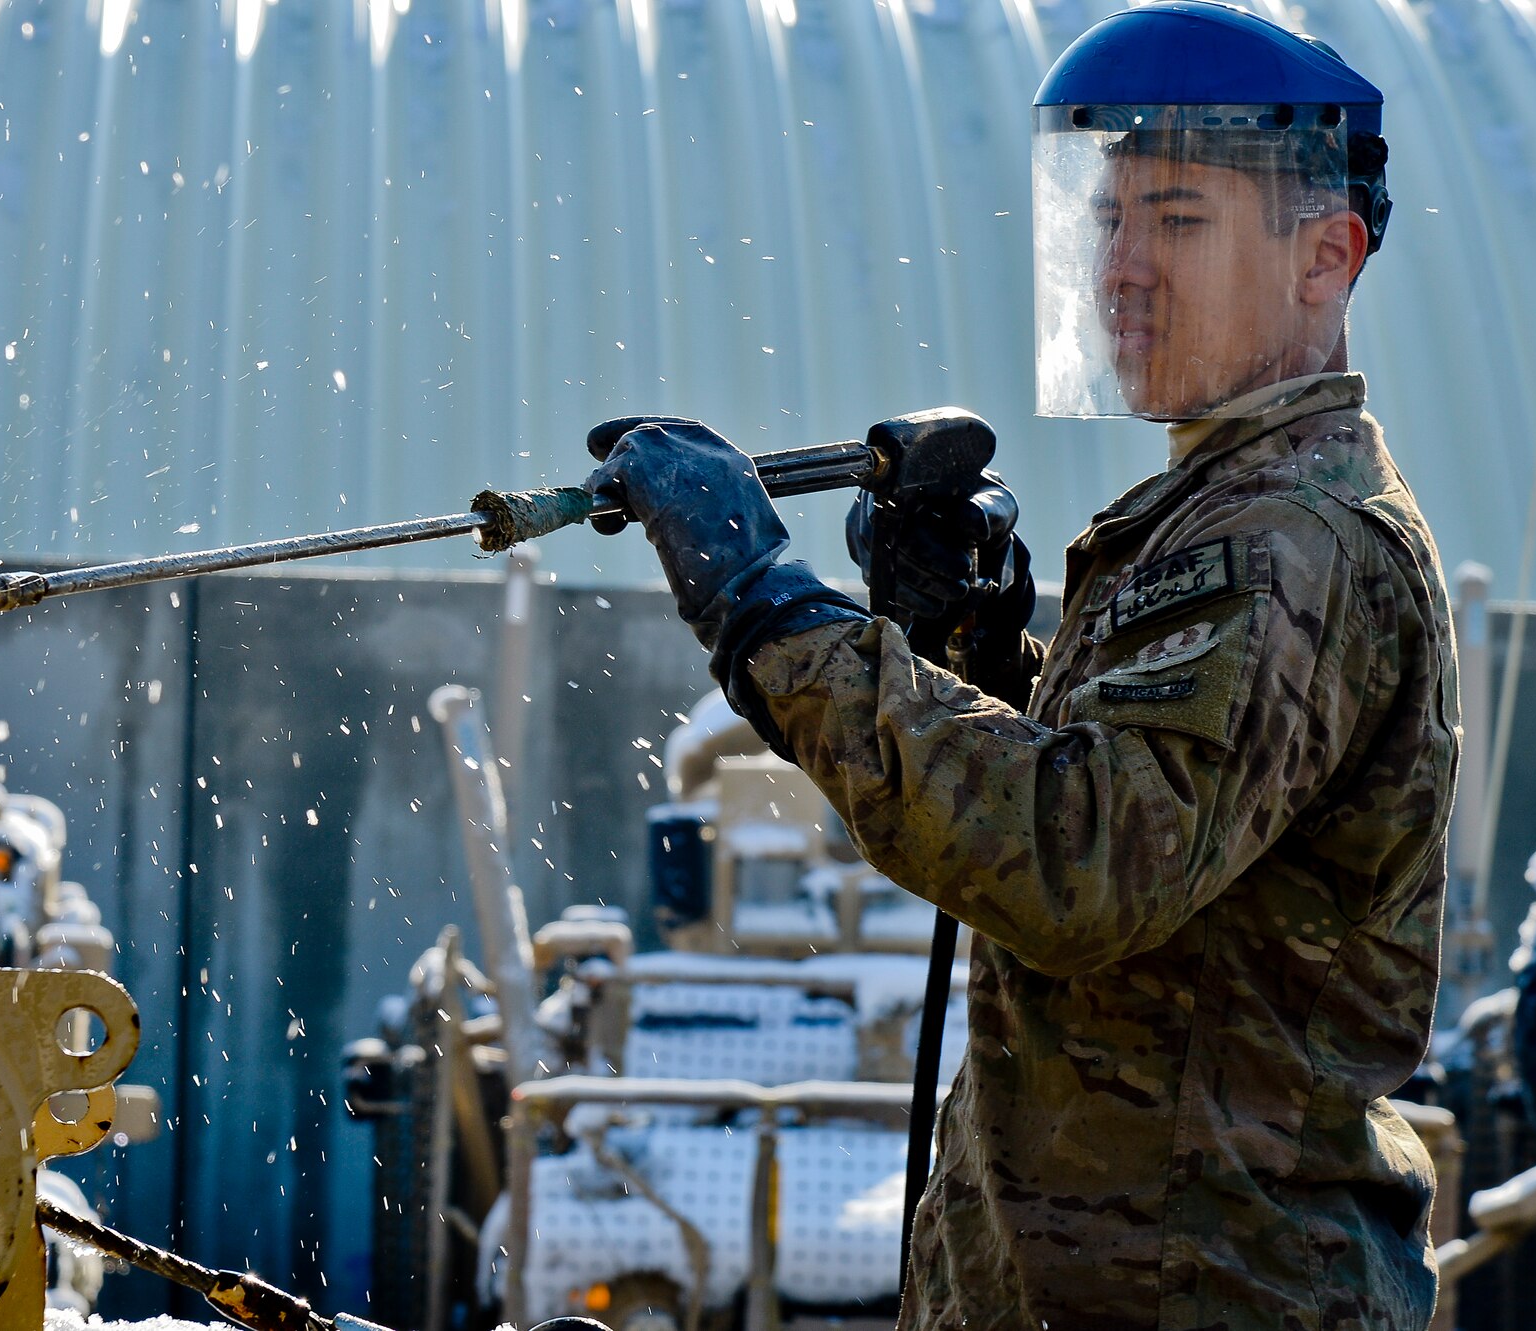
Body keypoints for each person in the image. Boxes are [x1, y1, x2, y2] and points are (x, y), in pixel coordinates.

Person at [581, 3, 1458, 1328]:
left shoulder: (1290, 542)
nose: (1122, 268)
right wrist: (981, 652)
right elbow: (1175, 826)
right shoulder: (1230, 507)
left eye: (1179, 219)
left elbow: (1080, 865)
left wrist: (770, 612)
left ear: (1322, 259)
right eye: (1106, 219)